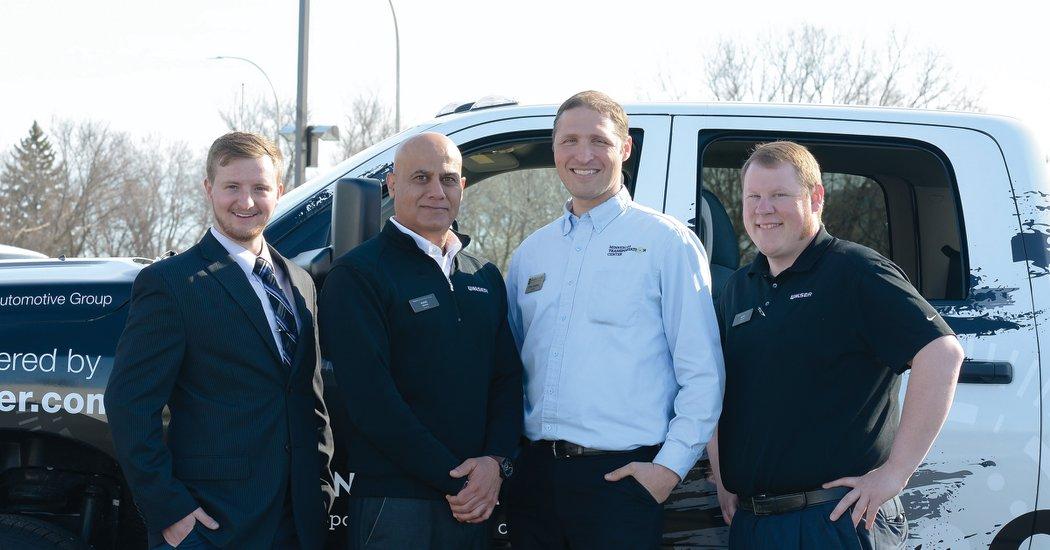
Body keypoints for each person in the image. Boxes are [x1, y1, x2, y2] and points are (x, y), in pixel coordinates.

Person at [708, 141, 963, 548]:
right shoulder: (738, 288)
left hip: (835, 520)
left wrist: (895, 473)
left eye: (779, 195)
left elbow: (942, 353)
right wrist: (722, 476)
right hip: (754, 524)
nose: (763, 209)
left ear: (816, 197)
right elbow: (715, 385)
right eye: (753, 196)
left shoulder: (856, 270)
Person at [503, 90, 725, 549]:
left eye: (598, 141)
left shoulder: (667, 243)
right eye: (569, 141)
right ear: (555, 150)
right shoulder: (531, 254)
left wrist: (667, 469)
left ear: (624, 149)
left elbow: (703, 373)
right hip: (535, 481)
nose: (583, 155)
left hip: (620, 483)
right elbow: (508, 370)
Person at [105, 132, 335, 549]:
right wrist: (170, 512)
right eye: (232, 187)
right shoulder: (170, 284)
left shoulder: (301, 283)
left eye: (260, 188)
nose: (246, 201)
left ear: (279, 191)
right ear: (209, 188)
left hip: (298, 523)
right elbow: (129, 405)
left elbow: (309, 398)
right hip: (211, 525)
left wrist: (320, 489)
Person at [318, 132, 523, 550]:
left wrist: (496, 464)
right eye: (421, 178)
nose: (436, 191)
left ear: (462, 187)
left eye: (448, 179)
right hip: (396, 506)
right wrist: (459, 477)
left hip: (476, 502)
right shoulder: (358, 275)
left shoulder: (482, 275)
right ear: (393, 186)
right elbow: (372, 402)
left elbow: (506, 379)